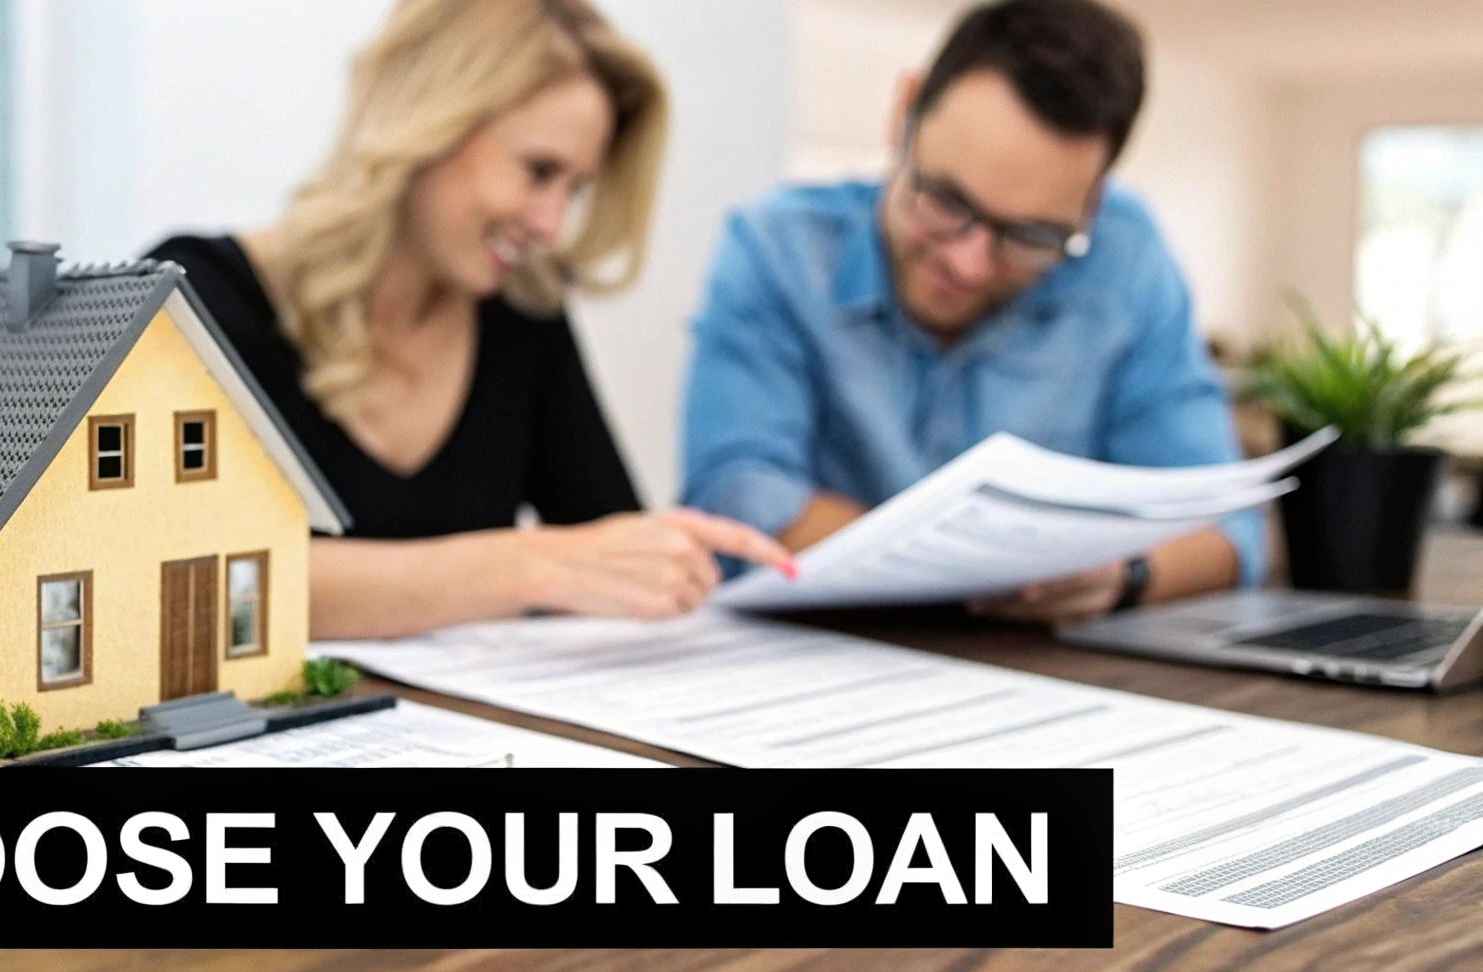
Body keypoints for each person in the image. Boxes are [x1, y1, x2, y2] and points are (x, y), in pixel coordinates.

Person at [150, 0, 792, 639]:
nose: (550, 225)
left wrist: (659, 560)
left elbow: (603, 539)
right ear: (428, 124)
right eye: (539, 171)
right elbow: (171, 581)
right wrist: (528, 566)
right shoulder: (195, 294)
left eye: (575, 188)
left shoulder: (522, 312)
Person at [682, 0, 1261, 626]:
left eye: (1032, 237)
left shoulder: (1128, 257)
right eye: (946, 200)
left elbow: (1228, 528)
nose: (970, 263)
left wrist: (1127, 575)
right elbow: (735, 494)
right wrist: (969, 571)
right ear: (905, 113)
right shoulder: (778, 247)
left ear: (1091, 205)